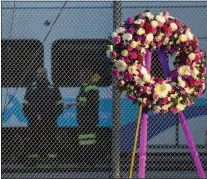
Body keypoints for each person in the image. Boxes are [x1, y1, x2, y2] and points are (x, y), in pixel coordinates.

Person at [23, 67, 64, 159]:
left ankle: (52, 159)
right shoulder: (31, 87)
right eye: (39, 73)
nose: (41, 75)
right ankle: (33, 159)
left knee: (51, 138)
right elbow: (25, 102)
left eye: (43, 73)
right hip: (34, 118)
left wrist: (54, 115)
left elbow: (60, 103)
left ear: (46, 75)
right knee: (34, 138)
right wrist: (29, 116)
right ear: (36, 75)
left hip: (50, 118)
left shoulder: (53, 86)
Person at [76, 72, 101, 148]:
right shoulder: (91, 87)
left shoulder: (87, 88)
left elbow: (83, 103)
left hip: (85, 117)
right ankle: (89, 155)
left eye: (82, 77)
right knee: (89, 138)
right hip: (90, 117)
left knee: (85, 139)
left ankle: (86, 155)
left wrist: (70, 104)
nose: (80, 79)